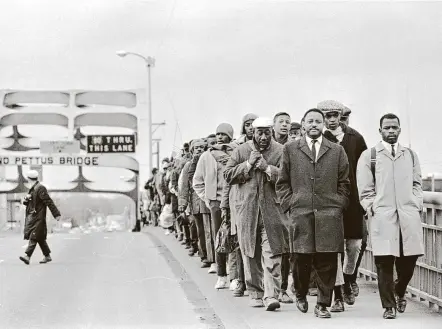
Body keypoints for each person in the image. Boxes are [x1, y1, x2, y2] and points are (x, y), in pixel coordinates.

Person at [276, 108, 350, 319]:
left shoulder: (336, 151)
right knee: (300, 257)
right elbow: (282, 182)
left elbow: (344, 182)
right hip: (301, 212)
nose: (315, 124)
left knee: (327, 259)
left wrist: (338, 205)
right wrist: (290, 204)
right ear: (304, 124)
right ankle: (300, 293)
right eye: (311, 121)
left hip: (329, 214)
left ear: (324, 124)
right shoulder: (290, 149)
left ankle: (323, 304)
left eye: (319, 121)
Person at [357, 113, 424, 319]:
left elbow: (417, 183)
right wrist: (372, 207)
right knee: (384, 262)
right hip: (383, 216)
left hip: (407, 215)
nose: (391, 131)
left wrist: (416, 203)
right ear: (380, 131)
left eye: (394, 127)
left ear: (400, 130)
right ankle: (388, 306)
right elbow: (365, 190)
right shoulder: (370, 156)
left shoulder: (410, 155)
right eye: (387, 128)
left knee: (409, 259)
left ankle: (400, 290)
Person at [224, 117, 288, 311]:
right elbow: (228, 175)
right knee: (250, 253)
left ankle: (271, 295)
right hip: (247, 210)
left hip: (273, 211)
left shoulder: (281, 151)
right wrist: (248, 165)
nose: (263, 137)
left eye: (267, 132)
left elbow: (288, 177)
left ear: (272, 132)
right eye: (259, 132)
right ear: (252, 132)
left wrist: (267, 168)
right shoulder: (241, 151)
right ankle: (255, 292)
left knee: (273, 253)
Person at [319, 99, 367, 311]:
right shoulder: (317, 140)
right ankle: (337, 294)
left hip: (353, 200)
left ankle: (349, 278)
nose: (331, 120)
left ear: (341, 117)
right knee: (333, 250)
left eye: (334, 116)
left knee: (354, 245)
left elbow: (367, 168)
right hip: (328, 201)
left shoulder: (355, 138)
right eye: (326, 116)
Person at [19, 170, 61, 265]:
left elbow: (48, 201)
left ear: (29, 179)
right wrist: (26, 200)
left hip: (38, 217)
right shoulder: (33, 189)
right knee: (39, 238)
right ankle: (47, 256)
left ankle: (27, 256)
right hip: (33, 217)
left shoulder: (40, 188)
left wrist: (56, 214)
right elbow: (31, 203)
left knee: (33, 236)